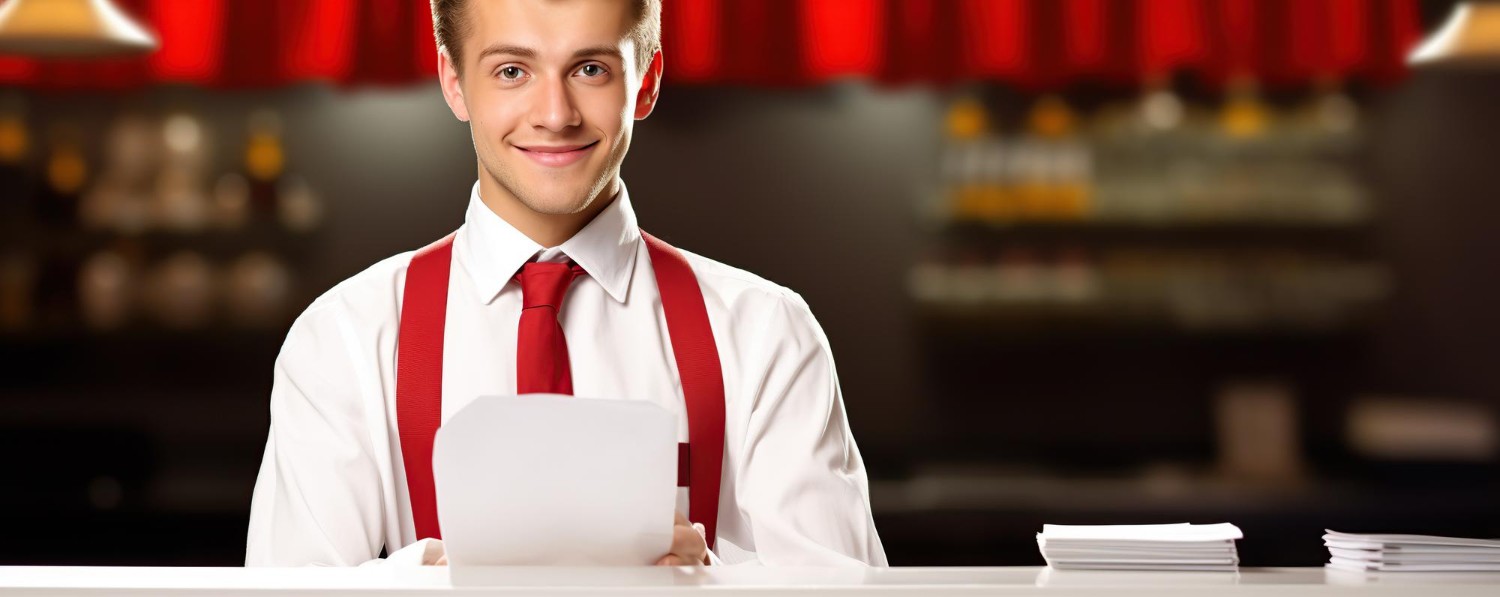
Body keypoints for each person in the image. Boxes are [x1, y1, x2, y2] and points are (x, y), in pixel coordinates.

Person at [245, 0, 886, 567]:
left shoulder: (765, 331)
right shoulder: (344, 338)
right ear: (454, 82)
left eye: (591, 69)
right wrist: (442, 574)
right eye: (511, 71)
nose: (555, 115)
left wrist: (703, 578)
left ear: (646, 82)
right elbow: (292, 590)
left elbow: (843, 590)